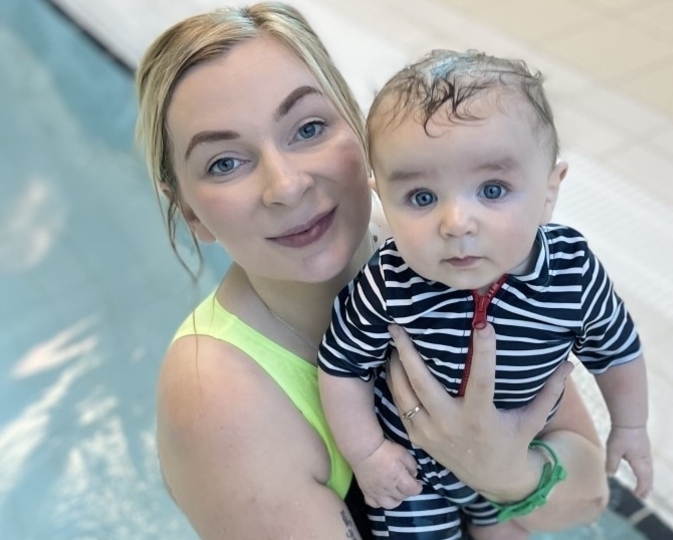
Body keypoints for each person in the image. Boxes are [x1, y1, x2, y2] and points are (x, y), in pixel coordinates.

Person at [135, 3, 612, 539]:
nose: (286, 185)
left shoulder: (439, 252)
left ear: (362, 135)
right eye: (225, 162)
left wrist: (503, 471)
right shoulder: (218, 399)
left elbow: (589, 496)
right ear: (192, 212)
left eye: (309, 127)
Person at [317, 50, 653, 539]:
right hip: (415, 475)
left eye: (493, 190)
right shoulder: (387, 281)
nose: (456, 223)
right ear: (382, 200)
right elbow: (342, 367)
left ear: (548, 192)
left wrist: (630, 426)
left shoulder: (571, 274)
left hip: (518, 454)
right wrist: (369, 453)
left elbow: (617, 349)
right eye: (422, 197)